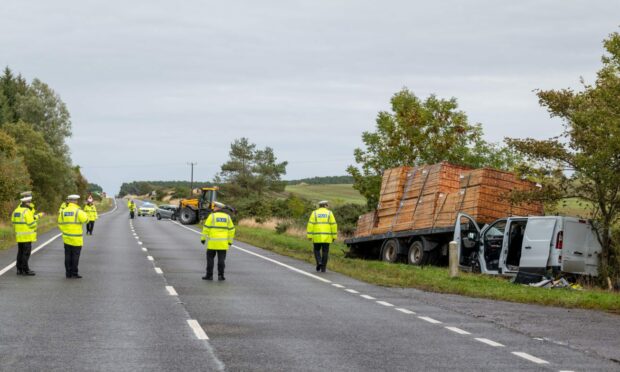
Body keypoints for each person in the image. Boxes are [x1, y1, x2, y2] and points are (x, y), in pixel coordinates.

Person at [200, 202, 235, 281]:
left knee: (210, 259)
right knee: (221, 260)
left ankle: (209, 275)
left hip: (212, 243)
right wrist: (230, 241)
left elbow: (206, 228)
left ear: (217, 208)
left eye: (214, 207)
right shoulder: (227, 217)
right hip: (223, 244)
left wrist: (203, 239)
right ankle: (221, 276)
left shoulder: (211, 216)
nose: (213, 208)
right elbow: (231, 230)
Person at [58, 195, 89, 279]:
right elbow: (86, 220)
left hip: (66, 237)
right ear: (75, 201)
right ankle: (74, 273)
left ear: (69, 201)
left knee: (67, 256)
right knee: (75, 256)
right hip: (76, 238)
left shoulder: (63, 211)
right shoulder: (78, 211)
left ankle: (68, 273)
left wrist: (65, 231)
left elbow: (60, 223)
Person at [11, 196, 44, 276]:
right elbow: (31, 223)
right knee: (26, 254)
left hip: (19, 236)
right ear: (27, 202)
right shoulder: (27, 211)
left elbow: (13, 221)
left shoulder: (16, 211)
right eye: (29, 202)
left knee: (20, 253)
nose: (30, 203)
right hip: (27, 236)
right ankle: (26, 270)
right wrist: (36, 224)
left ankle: (19, 269)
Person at [307, 200, 338, 272]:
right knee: (325, 252)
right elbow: (333, 225)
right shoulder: (329, 213)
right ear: (325, 205)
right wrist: (334, 236)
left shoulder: (314, 213)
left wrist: (309, 235)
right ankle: (323, 268)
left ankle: (319, 262)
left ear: (319, 206)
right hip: (327, 237)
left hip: (316, 236)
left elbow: (310, 224)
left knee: (316, 250)